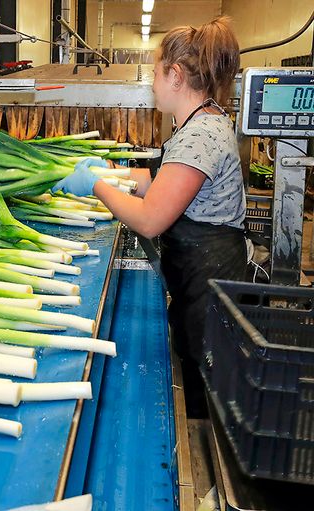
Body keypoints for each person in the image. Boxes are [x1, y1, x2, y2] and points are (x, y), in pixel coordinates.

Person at [53, 16, 247, 416]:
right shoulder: (201, 121)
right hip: (202, 278)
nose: (152, 84)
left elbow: (149, 219)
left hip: (208, 287)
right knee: (200, 375)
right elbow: (161, 180)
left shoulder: (200, 136)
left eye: (155, 74)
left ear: (175, 76)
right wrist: (110, 171)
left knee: (208, 394)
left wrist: (95, 186)